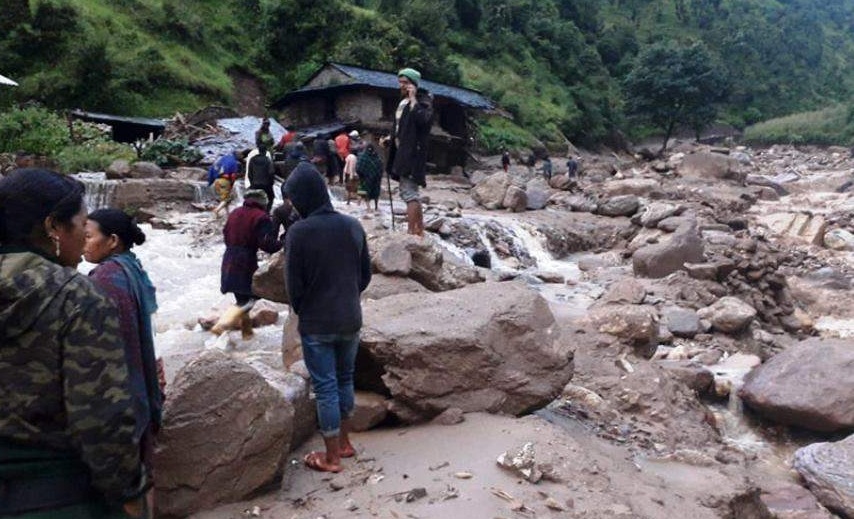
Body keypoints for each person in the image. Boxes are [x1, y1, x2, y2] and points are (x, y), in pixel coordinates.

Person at [0, 169, 145, 518]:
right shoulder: (78, 298)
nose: (84, 235)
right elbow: (101, 421)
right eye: (81, 224)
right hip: (56, 494)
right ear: (54, 227)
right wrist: (130, 493)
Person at [283, 161, 371, 473]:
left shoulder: (298, 232)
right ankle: (345, 443)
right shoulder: (353, 226)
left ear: (302, 198)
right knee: (345, 379)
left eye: (292, 199)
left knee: (326, 387)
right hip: (350, 318)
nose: (291, 206)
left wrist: (306, 308)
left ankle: (331, 457)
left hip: (317, 323)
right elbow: (365, 276)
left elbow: (294, 287)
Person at [84, 209, 163, 515]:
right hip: (143, 384)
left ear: (112, 241)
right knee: (143, 471)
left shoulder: (106, 278)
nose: (83, 243)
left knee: (127, 479)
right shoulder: (132, 267)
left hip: (124, 395)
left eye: (89, 236)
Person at [217, 189, 282, 339]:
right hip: (245, 261)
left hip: (229, 257)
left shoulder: (235, 212)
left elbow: (225, 233)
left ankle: (246, 335)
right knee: (250, 298)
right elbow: (266, 243)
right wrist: (283, 245)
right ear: (263, 203)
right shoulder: (260, 217)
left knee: (241, 298)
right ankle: (221, 327)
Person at [386, 67, 433, 236]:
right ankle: (418, 231)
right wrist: (389, 138)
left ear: (414, 84)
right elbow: (400, 127)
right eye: (400, 82)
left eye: (405, 82)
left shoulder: (423, 101)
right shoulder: (402, 103)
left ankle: (413, 232)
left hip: (413, 153)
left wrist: (414, 99)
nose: (402, 86)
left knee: (409, 193)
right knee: (410, 192)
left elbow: (423, 121)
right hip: (402, 153)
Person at [207, 150, 242, 217]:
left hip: (216, 181)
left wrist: (210, 182)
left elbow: (212, 169)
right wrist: (231, 184)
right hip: (224, 181)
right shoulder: (233, 162)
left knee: (226, 198)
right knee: (226, 199)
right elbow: (233, 175)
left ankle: (228, 214)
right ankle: (216, 210)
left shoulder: (222, 159)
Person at [247, 144, 276, 212]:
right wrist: (271, 183)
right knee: (271, 197)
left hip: (254, 184)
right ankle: (267, 212)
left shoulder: (252, 159)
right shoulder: (268, 160)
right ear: (266, 151)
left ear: (258, 151)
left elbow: (249, 173)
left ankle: (255, 212)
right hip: (266, 185)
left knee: (254, 199)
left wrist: (252, 183)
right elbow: (271, 173)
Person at [356, 143, 383, 213]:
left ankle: (368, 208)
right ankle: (376, 207)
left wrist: (361, 174)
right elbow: (381, 167)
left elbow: (358, 168)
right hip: (376, 178)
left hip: (365, 178)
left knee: (364, 190)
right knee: (375, 191)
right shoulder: (377, 157)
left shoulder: (363, 157)